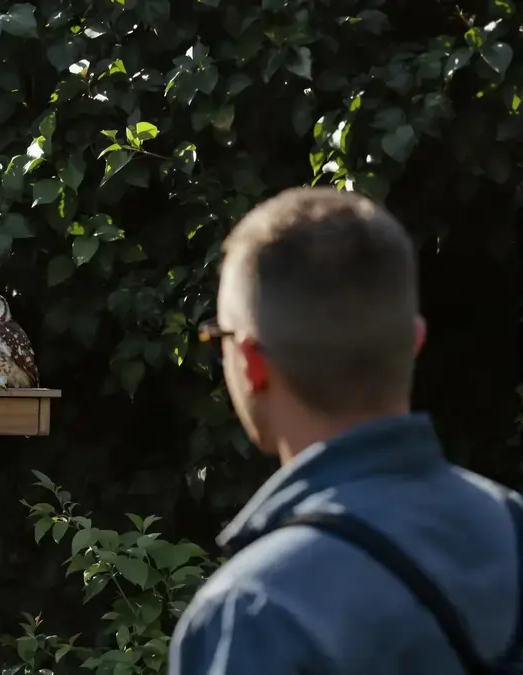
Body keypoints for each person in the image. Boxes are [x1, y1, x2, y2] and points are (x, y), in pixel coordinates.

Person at [169, 187, 522, 674]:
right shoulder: (512, 526)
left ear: (252, 363)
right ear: (414, 341)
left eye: (218, 336)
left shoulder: (255, 610)